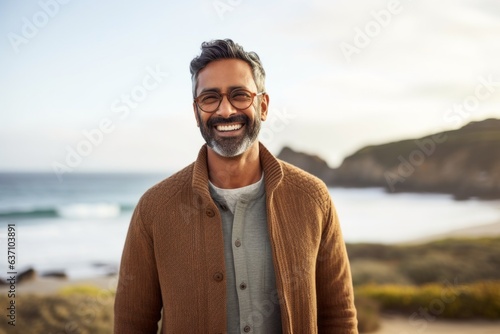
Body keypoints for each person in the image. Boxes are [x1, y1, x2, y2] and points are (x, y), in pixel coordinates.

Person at [114, 39, 358, 334]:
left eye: (240, 95)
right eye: (210, 98)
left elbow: (339, 316)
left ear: (263, 105)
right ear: (196, 112)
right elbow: (132, 323)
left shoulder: (313, 198)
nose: (226, 110)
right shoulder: (154, 208)